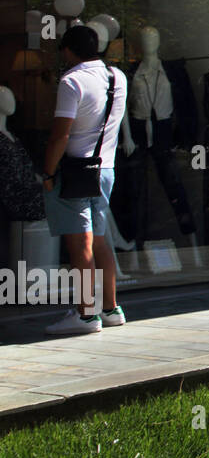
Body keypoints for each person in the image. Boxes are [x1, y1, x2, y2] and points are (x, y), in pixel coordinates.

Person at [41, 25, 128, 334]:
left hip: (77, 170)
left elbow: (60, 135)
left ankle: (86, 314)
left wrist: (48, 172)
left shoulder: (72, 81)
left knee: (81, 244)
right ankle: (111, 309)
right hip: (106, 170)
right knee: (100, 239)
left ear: (68, 50)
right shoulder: (118, 78)